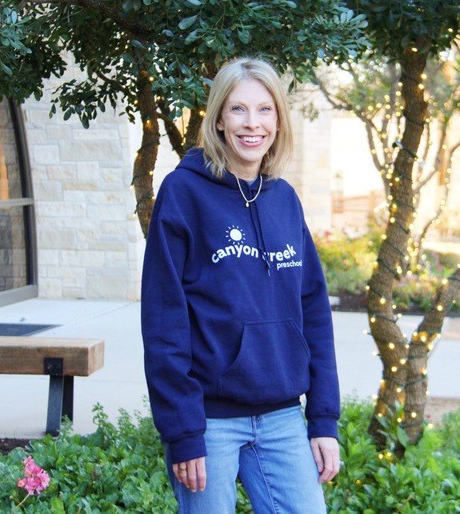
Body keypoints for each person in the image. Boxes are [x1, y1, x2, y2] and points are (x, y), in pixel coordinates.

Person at [141, 57, 340, 514]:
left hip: (283, 416)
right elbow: (164, 319)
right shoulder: (183, 194)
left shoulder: (284, 199)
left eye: (265, 110)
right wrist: (184, 430)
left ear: (279, 120)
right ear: (218, 119)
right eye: (238, 109)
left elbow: (314, 314)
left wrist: (323, 419)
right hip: (209, 421)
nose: (253, 123)